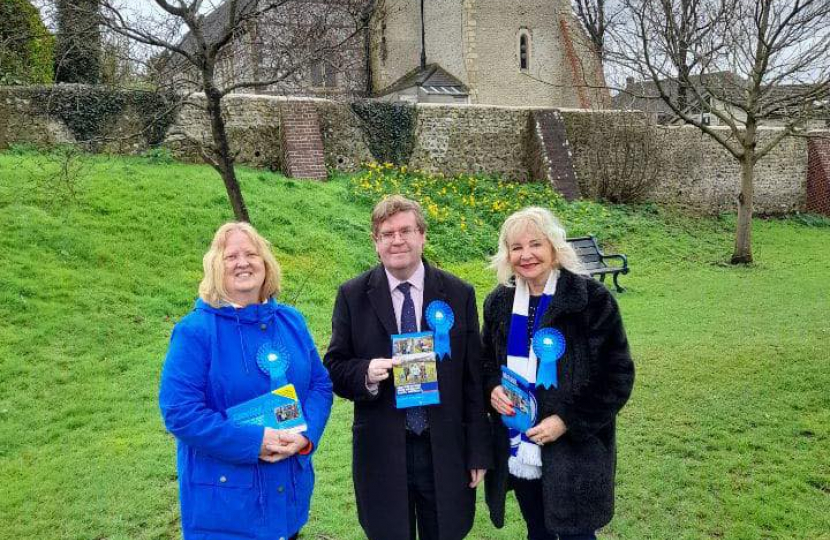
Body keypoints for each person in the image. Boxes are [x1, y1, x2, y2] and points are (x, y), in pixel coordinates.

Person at [324, 195, 492, 540]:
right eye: (387, 234)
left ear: (422, 236)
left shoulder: (458, 293)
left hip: (445, 448)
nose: (397, 240)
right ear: (375, 242)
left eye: (405, 231)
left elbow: (473, 380)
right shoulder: (352, 295)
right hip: (382, 449)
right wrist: (366, 373)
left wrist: (478, 450)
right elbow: (335, 367)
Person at [159, 222, 333, 540]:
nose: (243, 262)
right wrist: (253, 442)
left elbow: (320, 385)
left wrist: (306, 435)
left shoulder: (291, 321)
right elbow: (180, 413)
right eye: (231, 256)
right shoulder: (195, 331)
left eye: (252, 254)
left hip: (287, 495)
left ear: (265, 264)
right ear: (215, 268)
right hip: (226, 509)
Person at [481, 207, 634, 540]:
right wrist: (492, 387)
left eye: (535, 244)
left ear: (553, 247)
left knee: (578, 535)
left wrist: (567, 420)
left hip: (575, 451)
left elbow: (617, 375)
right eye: (516, 247)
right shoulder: (498, 303)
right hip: (519, 445)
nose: (526, 255)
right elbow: (486, 363)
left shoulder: (591, 300)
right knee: (537, 531)